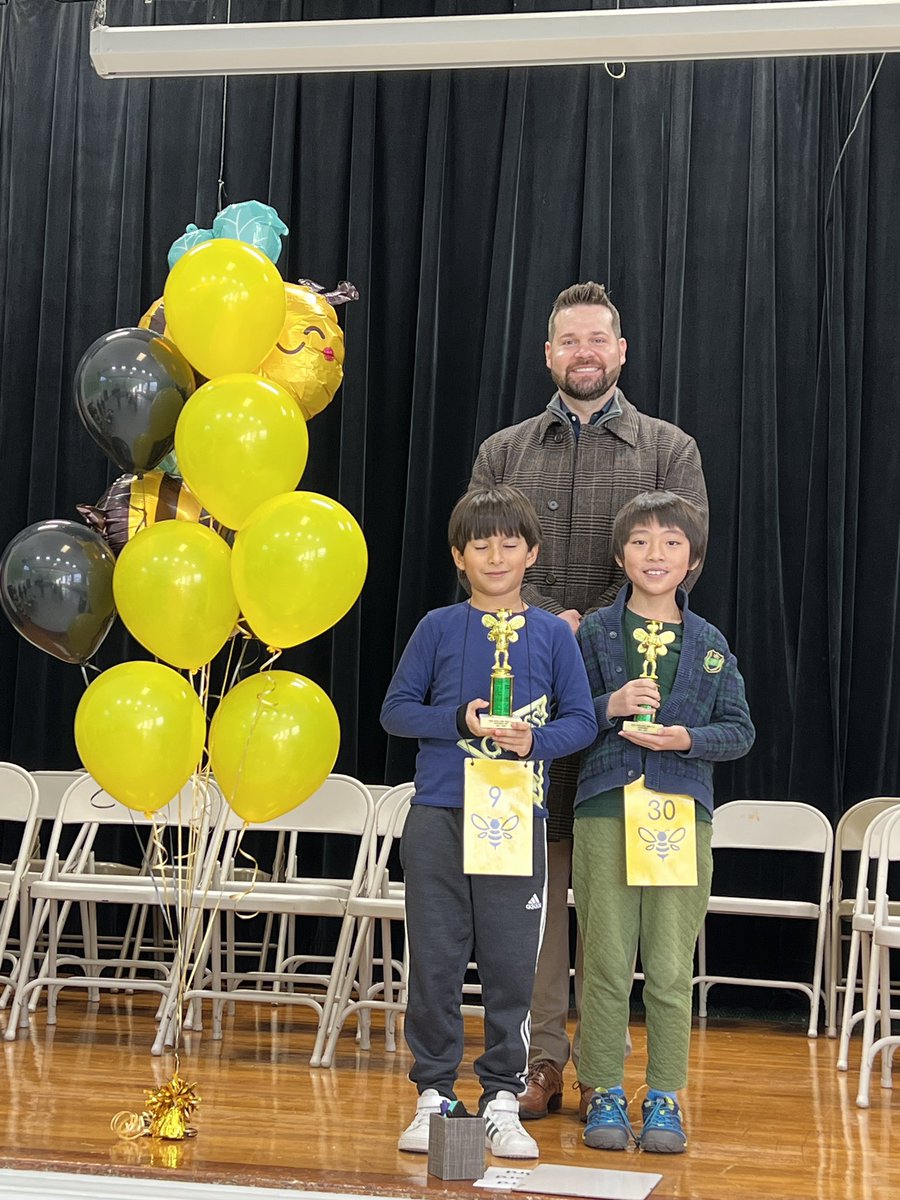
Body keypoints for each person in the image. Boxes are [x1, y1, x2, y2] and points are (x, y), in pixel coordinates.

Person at [468, 281, 708, 1120]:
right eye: (569, 340)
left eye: (598, 339)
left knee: (618, 906)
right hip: (522, 704)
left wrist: (588, 626)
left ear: (621, 351)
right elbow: (477, 557)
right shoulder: (502, 451)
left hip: (629, 716)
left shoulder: (669, 450)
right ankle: (539, 1061)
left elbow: (678, 560)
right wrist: (545, 626)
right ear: (548, 354)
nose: (584, 353)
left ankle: (611, 1070)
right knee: (533, 893)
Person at [381, 485, 598, 1159]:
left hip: (514, 814)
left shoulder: (552, 635)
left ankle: (502, 1097)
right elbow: (395, 711)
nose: (496, 556)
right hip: (440, 813)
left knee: (510, 964)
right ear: (459, 556)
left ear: (532, 553)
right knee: (436, 961)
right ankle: (434, 1096)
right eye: (481, 545)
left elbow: (582, 721)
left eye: (509, 544)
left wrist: (535, 741)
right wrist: (457, 720)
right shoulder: (436, 627)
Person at [573, 491, 754, 1153]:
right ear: (621, 555)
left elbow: (740, 731)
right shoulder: (595, 632)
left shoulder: (709, 643)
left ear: (692, 559)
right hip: (604, 809)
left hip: (681, 813)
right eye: (641, 541)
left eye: (672, 542)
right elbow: (563, 720)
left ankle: (665, 1095)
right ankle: (602, 1087)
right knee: (605, 960)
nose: (657, 553)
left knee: (673, 965)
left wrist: (686, 740)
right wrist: (610, 704)